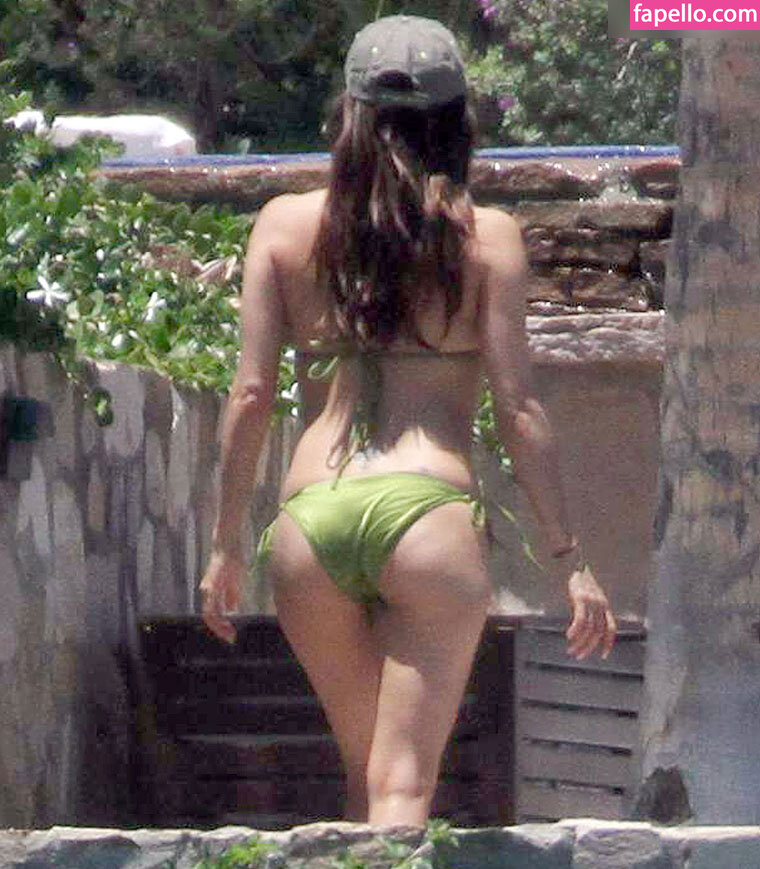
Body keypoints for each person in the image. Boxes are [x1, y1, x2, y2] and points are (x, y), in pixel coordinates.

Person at [199, 14, 617, 828]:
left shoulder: (281, 226)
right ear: (457, 121)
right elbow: (518, 407)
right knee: (401, 787)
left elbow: (250, 394)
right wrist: (568, 559)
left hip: (311, 519)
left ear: (347, 114)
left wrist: (224, 544)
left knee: (364, 780)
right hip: (428, 513)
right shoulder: (485, 237)